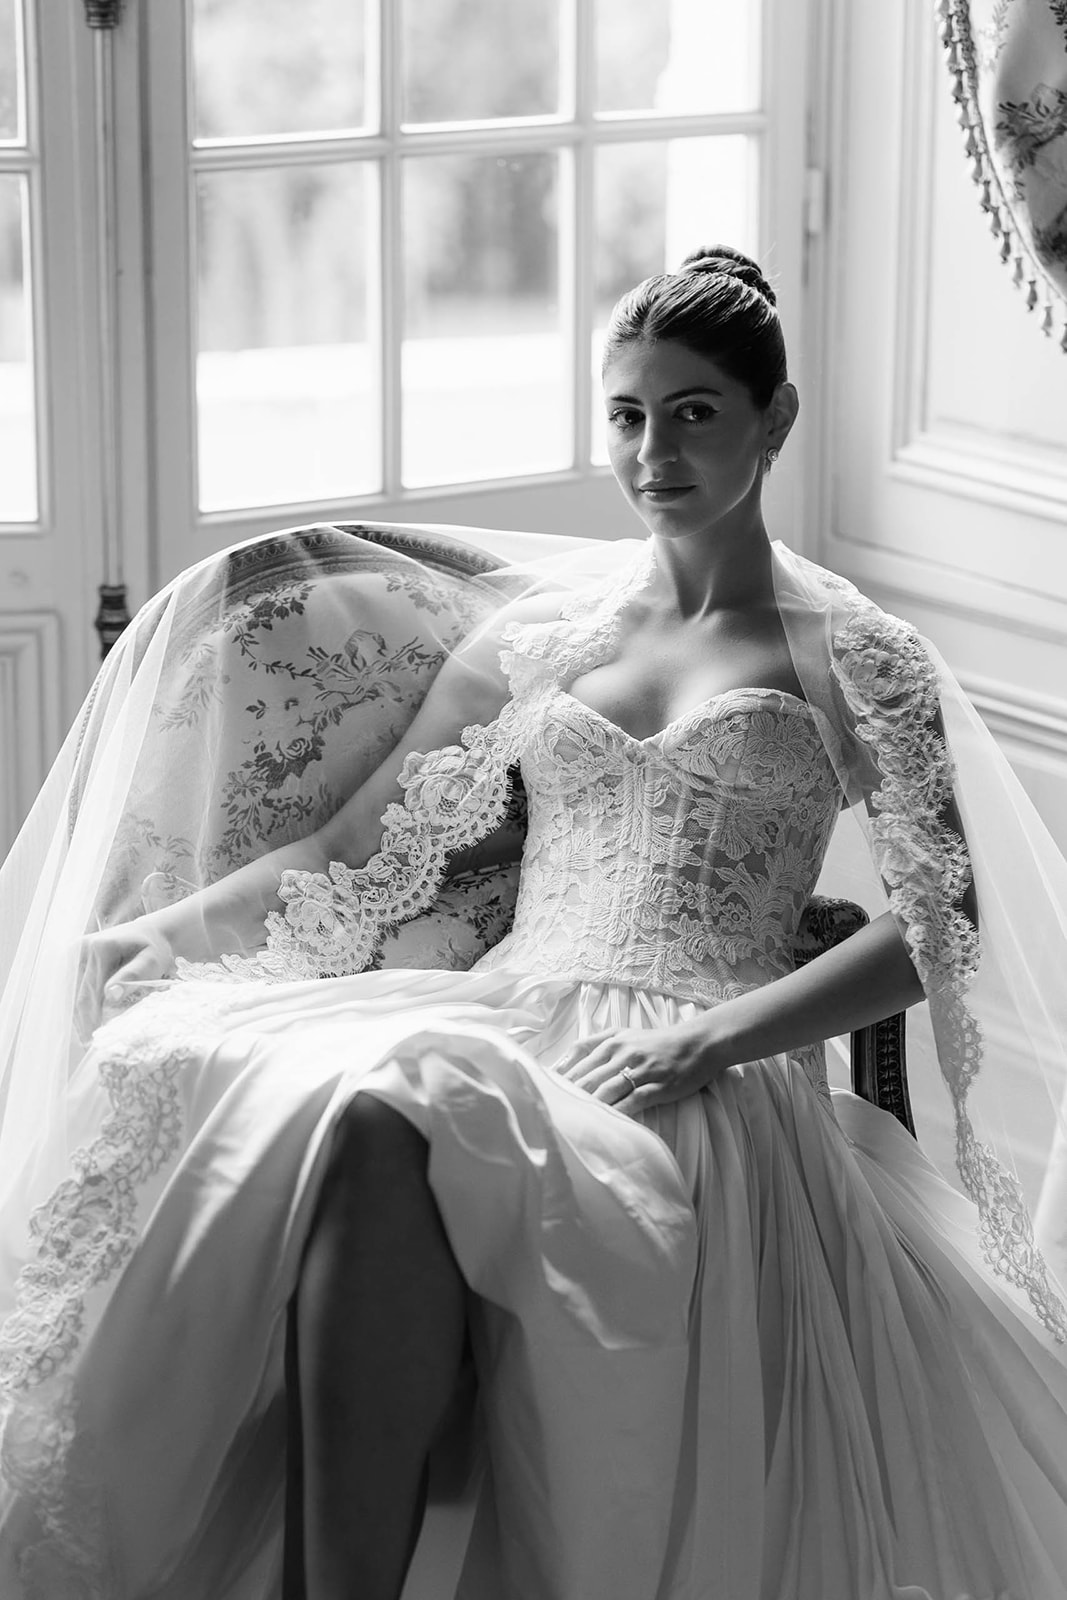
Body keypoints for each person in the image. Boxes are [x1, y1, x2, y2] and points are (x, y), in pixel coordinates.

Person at [2, 246, 1067, 1600]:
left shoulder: (854, 655)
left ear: (774, 422)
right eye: (627, 413)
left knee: (392, 1112)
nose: (653, 450)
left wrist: (715, 1041)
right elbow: (356, 851)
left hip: (695, 1068)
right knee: (353, 1117)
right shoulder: (554, 633)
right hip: (508, 1015)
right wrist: (150, 942)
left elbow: (941, 927)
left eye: (694, 413)